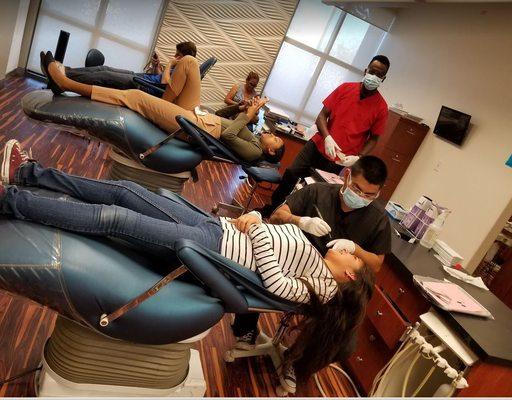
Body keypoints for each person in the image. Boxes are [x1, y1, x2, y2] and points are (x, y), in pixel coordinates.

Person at [0, 139, 374, 384]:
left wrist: (257, 226)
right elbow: (293, 243)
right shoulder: (320, 267)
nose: (346, 250)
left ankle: (12, 199)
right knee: (127, 191)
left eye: (350, 257)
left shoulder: (316, 291)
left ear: (347, 277)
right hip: (217, 229)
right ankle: (29, 173)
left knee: (115, 218)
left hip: (212, 246)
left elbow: (273, 282)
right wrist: (301, 228)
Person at [42, 52, 284, 164]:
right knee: (189, 62)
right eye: (274, 136)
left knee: (134, 96)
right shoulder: (253, 138)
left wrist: (247, 114)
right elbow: (221, 117)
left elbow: (228, 135)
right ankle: (165, 104)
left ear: (271, 153)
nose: (272, 135)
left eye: (275, 140)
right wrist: (240, 107)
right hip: (201, 116)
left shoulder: (254, 152)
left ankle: (66, 83)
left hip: (194, 128)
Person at [260, 55, 391, 216]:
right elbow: (322, 116)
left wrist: (359, 157)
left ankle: (293, 218)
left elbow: (374, 138)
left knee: (314, 188)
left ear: (383, 78)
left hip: (339, 158)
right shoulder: (345, 88)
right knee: (292, 173)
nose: (374, 77)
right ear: (366, 70)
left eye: (379, 75)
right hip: (317, 145)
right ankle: (272, 209)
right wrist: (328, 137)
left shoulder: (381, 107)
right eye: (372, 72)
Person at [270, 155, 391, 273]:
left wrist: (355, 249)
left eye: (369, 195)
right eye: (356, 188)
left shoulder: (379, 218)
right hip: (290, 260)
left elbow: (376, 265)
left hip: (331, 277)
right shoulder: (317, 191)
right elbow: (275, 217)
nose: (360, 196)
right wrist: (300, 221)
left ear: (378, 193)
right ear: (347, 175)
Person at [45, 42, 200, 111]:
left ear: (185, 57)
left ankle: (61, 77)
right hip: (142, 78)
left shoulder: (183, 66)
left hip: (142, 86)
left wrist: (172, 64)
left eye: (177, 55)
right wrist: (156, 65)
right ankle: (65, 70)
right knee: (104, 68)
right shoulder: (181, 67)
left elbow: (166, 83)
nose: (174, 56)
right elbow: (161, 79)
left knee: (105, 75)